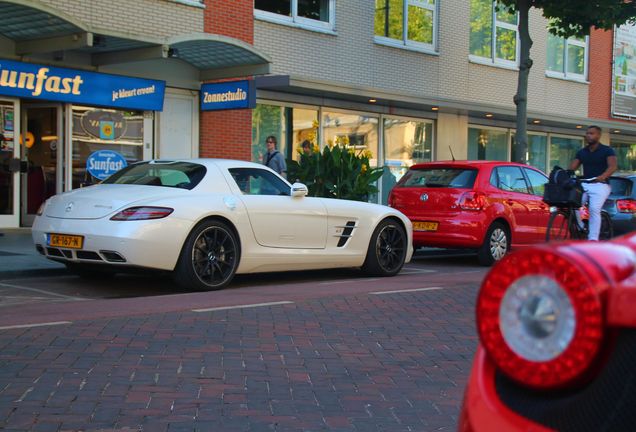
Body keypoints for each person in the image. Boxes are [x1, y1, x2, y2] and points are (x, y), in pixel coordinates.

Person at [568, 125, 617, 241]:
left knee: (594, 209)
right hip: (585, 183)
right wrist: (565, 174)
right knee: (572, 204)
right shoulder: (582, 152)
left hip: (601, 185)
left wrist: (602, 177)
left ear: (598, 135)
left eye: (592, 133)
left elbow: (613, 166)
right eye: (587, 133)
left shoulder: (607, 150)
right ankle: (581, 227)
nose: (588, 135)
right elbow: (572, 168)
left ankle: (593, 239)